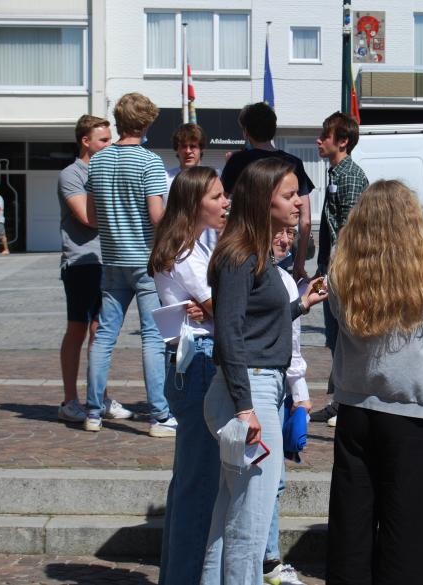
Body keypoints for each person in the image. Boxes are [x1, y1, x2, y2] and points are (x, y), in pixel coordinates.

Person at [325, 180, 423, 585]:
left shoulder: (343, 260)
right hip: (409, 409)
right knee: (407, 527)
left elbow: (337, 314)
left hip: (355, 404)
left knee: (351, 523)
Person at [201, 157, 327, 584]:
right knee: (250, 521)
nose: (299, 203)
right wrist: (245, 408)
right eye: (289, 195)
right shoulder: (240, 256)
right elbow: (229, 334)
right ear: (262, 200)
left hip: (257, 388)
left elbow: (256, 325)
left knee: (232, 512)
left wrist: (301, 305)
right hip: (250, 391)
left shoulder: (255, 255)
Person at [149, 167, 229, 585]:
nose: (225, 203)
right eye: (216, 197)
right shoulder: (183, 251)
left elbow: (215, 306)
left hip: (192, 358)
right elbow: (224, 307)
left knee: (190, 481)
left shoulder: (191, 246)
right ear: (195, 202)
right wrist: (212, 309)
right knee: (199, 485)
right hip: (195, 360)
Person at [82, 92, 173, 438]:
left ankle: (93, 411)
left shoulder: (99, 161)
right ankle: (159, 416)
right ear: (146, 123)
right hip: (145, 261)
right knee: (153, 337)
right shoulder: (149, 162)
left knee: (104, 336)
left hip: (112, 259)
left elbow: (92, 216)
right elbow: (156, 216)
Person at [57, 115, 132, 423]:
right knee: (78, 329)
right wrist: (122, 210)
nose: (110, 144)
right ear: (85, 141)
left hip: (109, 260)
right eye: (103, 140)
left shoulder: (108, 171)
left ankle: (99, 397)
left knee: (101, 332)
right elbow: (87, 216)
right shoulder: (71, 174)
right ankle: (69, 401)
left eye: (110, 139)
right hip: (81, 262)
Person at [310, 111, 369, 426]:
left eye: (325, 136)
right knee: (335, 339)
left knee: (347, 338)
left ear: (343, 141)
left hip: (343, 273)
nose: (319, 140)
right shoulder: (336, 173)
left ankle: (349, 403)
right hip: (331, 270)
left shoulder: (350, 176)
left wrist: (333, 273)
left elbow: (348, 229)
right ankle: (339, 401)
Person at [220, 102, 315, 281]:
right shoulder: (293, 162)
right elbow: (306, 220)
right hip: (282, 247)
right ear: (273, 129)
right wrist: (300, 263)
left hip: (245, 249)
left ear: (246, 131)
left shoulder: (238, 161)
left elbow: (220, 206)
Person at [263, 226, 310, 585]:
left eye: (290, 233)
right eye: (277, 231)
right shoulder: (239, 270)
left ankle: (268, 559)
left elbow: (292, 344)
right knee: (265, 479)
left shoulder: (285, 280)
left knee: (275, 481)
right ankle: (265, 560)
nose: (285, 240)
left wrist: (300, 392)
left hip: (278, 386)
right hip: (253, 386)